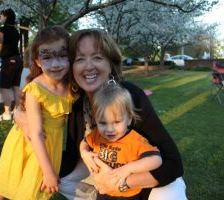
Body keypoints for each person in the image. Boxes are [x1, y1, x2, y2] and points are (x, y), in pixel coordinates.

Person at [15, 28, 187, 200]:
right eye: (80, 59)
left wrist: (122, 183)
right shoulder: (75, 99)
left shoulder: (129, 96)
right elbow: (40, 91)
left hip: (147, 175)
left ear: (110, 63)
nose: (88, 66)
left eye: (97, 58)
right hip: (105, 168)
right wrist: (19, 115)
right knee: (61, 179)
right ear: (71, 66)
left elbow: (173, 163)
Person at [0, 26, 78, 200]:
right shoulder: (36, 90)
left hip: (51, 146)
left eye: (62, 55)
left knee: (32, 190)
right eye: (47, 57)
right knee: (4, 186)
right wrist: (49, 172)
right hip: (28, 145)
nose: (56, 64)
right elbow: (35, 133)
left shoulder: (71, 85)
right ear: (37, 61)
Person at [80, 82, 162, 200]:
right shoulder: (97, 134)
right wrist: (84, 153)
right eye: (103, 123)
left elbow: (156, 160)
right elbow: (85, 142)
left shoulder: (134, 140)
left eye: (116, 122)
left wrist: (128, 168)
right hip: (103, 191)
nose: (109, 129)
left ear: (128, 118)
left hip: (128, 195)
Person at [0, 8, 23, 121]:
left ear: (5, 17)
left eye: (1, 16)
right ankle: (17, 111)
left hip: (9, 61)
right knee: (16, 87)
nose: (0, 18)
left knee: (5, 88)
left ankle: (7, 113)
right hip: (18, 60)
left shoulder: (2, 29)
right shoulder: (16, 31)